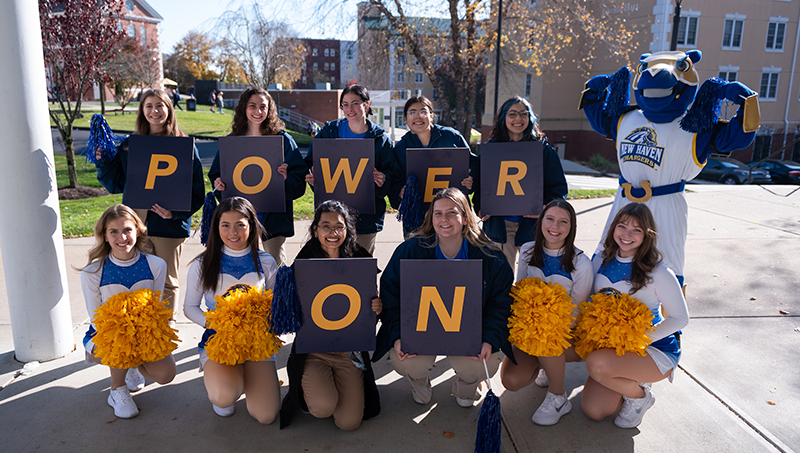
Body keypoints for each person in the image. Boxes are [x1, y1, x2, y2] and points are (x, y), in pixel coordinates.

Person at [375, 187, 513, 407]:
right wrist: (398, 334)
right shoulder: (410, 250)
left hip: (468, 331)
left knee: (479, 366)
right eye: (438, 213)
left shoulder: (491, 257)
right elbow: (391, 296)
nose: (444, 219)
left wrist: (488, 338)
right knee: (408, 362)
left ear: (466, 218)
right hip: (421, 329)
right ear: (431, 218)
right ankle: (419, 381)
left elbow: (501, 304)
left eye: (452, 212)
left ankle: (467, 385)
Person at [96, 88, 205, 312]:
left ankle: (165, 332)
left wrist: (175, 213)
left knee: (167, 281)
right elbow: (115, 183)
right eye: (149, 106)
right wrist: (103, 162)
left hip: (169, 226)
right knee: (139, 280)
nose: (154, 111)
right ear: (142, 111)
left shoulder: (184, 145)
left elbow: (197, 192)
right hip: (136, 226)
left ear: (169, 109)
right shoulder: (130, 146)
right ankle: (144, 330)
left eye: (159, 106)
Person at [581, 203, 689, 428]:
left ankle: (639, 397)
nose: (627, 234)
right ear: (613, 228)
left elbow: (680, 318)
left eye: (636, 230)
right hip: (614, 347)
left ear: (647, 235)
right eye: (622, 226)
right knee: (594, 410)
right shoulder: (600, 260)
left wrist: (638, 340)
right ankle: (627, 376)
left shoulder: (658, 272)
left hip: (653, 348)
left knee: (596, 364)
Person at [280, 200, 382, 430]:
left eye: (339, 227)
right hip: (315, 350)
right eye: (325, 226)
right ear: (315, 230)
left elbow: (366, 313)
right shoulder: (303, 263)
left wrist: (376, 307)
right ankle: (314, 394)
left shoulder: (361, 259)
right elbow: (291, 313)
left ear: (348, 229)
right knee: (322, 407)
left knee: (349, 423)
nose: (333, 233)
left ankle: (333, 389)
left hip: (350, 351)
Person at [183, 197, 281, 422]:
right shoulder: (203, 263)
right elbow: (190, 307)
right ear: (216, 228)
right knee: (224, 397)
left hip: (256, 344)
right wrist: (217, 323)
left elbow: (274, 304)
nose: (232, 232)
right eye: (225, 225)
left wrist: (261, 323)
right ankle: (226, 381)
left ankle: (247, 376)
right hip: (220, 341)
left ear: (252, 227)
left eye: (240, 225)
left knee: (266, 415)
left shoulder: (265, 261)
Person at [499, 199, 593, 425]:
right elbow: (520, 293)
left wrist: (544, 325)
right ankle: (547, 367)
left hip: (566, 336)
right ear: (541, 221)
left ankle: (558, 396)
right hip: (533, 332)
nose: (555, 226)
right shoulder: (530, 250)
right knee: (510, 380)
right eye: (550, 219)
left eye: (563, 222)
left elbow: (576, 314)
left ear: (572, 228)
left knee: (547, 338)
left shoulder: (581, 263)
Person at [80, 205, 177, 419]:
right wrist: (126, 334)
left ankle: (132, 366)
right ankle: (117, 389)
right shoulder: (93, 272)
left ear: (138, 231)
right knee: (119, 341)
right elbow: (97, 320)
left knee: (166, 374)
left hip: (143, 335)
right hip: (106, 337)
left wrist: (143, 338)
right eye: (113, 231)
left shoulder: (156, 265)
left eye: (127, 230)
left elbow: (155, 307)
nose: (121, 237)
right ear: (104, 236)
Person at [208, 86, 309, 267]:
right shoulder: (233, 141)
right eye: (252, 106)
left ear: (269, 109)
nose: (258, 111)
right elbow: (217, 175)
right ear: (244, 108)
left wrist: (286, 179)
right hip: (240, 218)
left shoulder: (283, 140)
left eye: (263, 106)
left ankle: (277, 297)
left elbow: (299, 182)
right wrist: (219, 185)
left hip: (274, 218)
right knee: (244, 269)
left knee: (275, 267)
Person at [472, 96, 568, 273]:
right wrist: (479, 207)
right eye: (512, 114)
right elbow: (479, 185)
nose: (518, 119)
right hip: (500, 227)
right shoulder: (491, 150)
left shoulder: (544, 151)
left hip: (532, 226)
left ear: (530, 118)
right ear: (503, 118)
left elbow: (558, 189)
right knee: (502, 280)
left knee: (533, 280)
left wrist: (546, 208)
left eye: (523, 114)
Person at [304, 84, 396, 255]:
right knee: (332, 266)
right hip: (331, 216)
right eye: (345, 104)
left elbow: (392, 174)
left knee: (362, 269)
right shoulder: (329, 132)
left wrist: (383, 179)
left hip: (366, 218)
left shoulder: (380, 139)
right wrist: (312, 177)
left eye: (355, 103)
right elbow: (310, 164)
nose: (349, 109)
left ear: (366, 105)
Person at [389, 95, 476, 238]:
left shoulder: (452, 137)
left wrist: (472, 177)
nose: (418, 116)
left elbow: (473, 164)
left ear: (431, 116)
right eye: (412, 112)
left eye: (423, 111)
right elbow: (393, 181)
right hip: (418, 220)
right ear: (405, 119)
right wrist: (400, 192)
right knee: (419, 259)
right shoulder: (400, 148)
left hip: (452, 215)